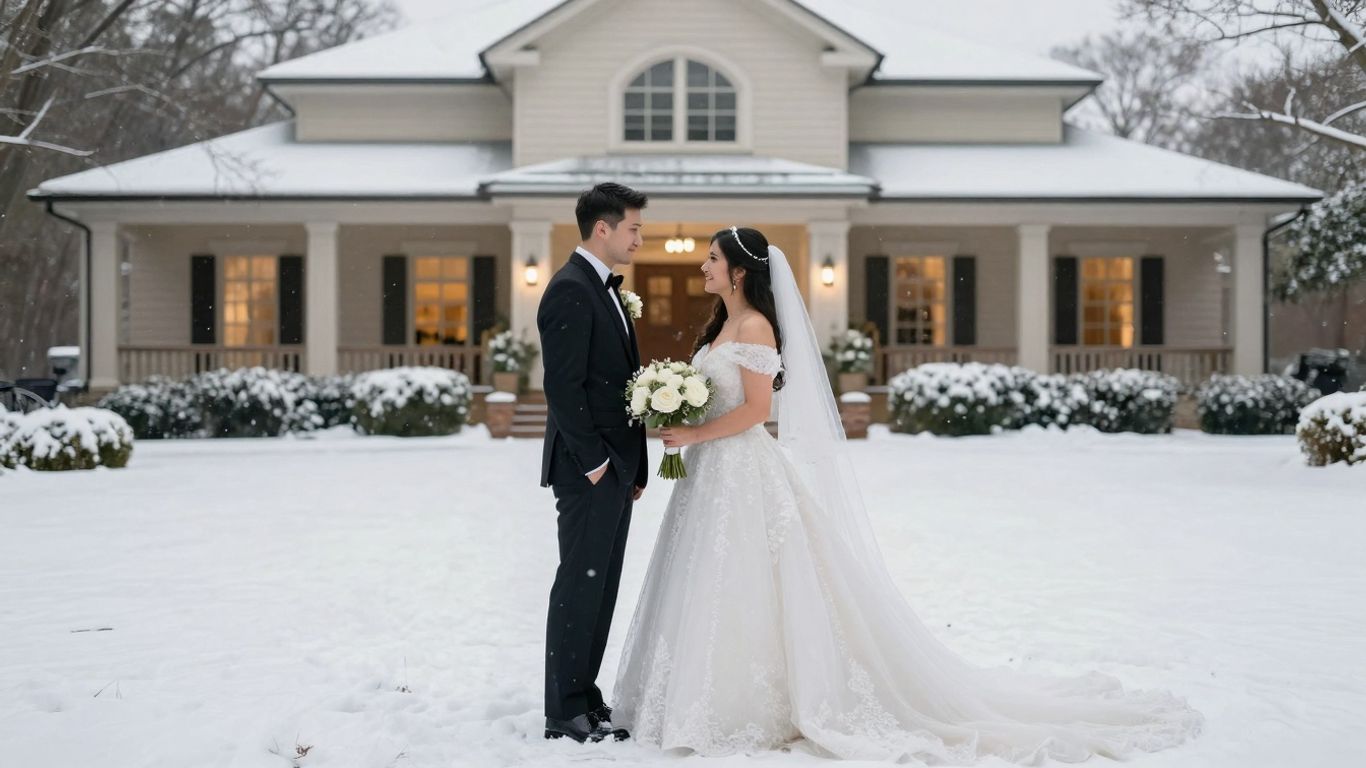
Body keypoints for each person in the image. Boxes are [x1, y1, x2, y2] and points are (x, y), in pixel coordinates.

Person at [611, 226, 1203, 762]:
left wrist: (693, 430)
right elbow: (723, 398)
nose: (703, 268)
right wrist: (679, 410)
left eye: (711, 260)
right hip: (712, 474)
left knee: (745, 581)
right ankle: (695, 695)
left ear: (739, 271)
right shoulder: (719, 327)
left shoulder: (756, 326)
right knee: (708, 582)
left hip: (743, 471)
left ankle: (747, 704)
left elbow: (759, 411)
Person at [536, 182, 649, 743]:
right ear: (601, 228)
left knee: (601, 585)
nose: (639, 238)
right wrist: (596, 464)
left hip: (615, 468)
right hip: (589, 469)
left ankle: (585, 693)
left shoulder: (603, 289)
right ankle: (564, 710)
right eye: (633, 227)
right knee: (578, 584)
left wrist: (632, 467)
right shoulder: (571, 289)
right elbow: (563, 386)